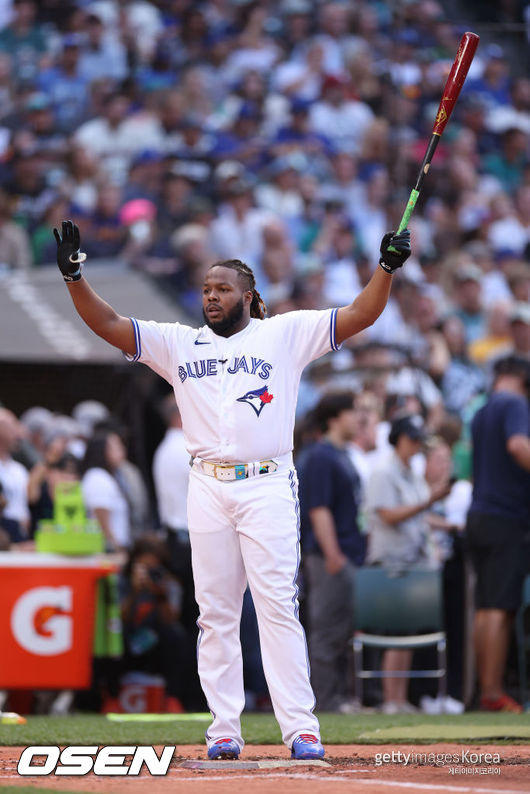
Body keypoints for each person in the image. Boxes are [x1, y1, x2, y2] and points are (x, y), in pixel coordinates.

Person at [52, 218, 411, 760]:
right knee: (215, 611)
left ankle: (301, 729)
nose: (211, 297)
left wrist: (384, 269)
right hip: (208, 485)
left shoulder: (283, 334)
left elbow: (361, 315)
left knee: (276, 607)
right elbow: (106, 323)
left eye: (222, 289)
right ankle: (224, 727)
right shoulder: (179, 342)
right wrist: (75, 276)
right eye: (205, 289)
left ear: (249, 296)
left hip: (266, 483)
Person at [365, 414, 451, 714]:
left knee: (409, 633)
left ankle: (400, 699)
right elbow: (388, 515)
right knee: (394, 634)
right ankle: (391, 698)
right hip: (391, 562)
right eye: (413, 440)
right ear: (400, 439)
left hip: (412, 562)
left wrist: (447, 526)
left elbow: (417, 515)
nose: (417, 447)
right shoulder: (384, 472)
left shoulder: (410, 473)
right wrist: (430, 502)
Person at [466, 355, 530, 713]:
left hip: (479, 516)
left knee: (486, 608)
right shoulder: (516, 402)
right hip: (506, 518)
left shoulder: (482, 410)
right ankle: (492, 692)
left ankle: (486, 689)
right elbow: (518, 446)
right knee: (500, 609)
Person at [298, 390, 365, 712]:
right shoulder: (321, 456)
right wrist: (333, 554)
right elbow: (318, 509)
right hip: (329, 557)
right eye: (353, 412)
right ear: (335, 418)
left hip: (345, 554)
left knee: (339, 630)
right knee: (326, 631)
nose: (360, 419)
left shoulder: (341, 453)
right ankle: (324, 701)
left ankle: (336, 696)